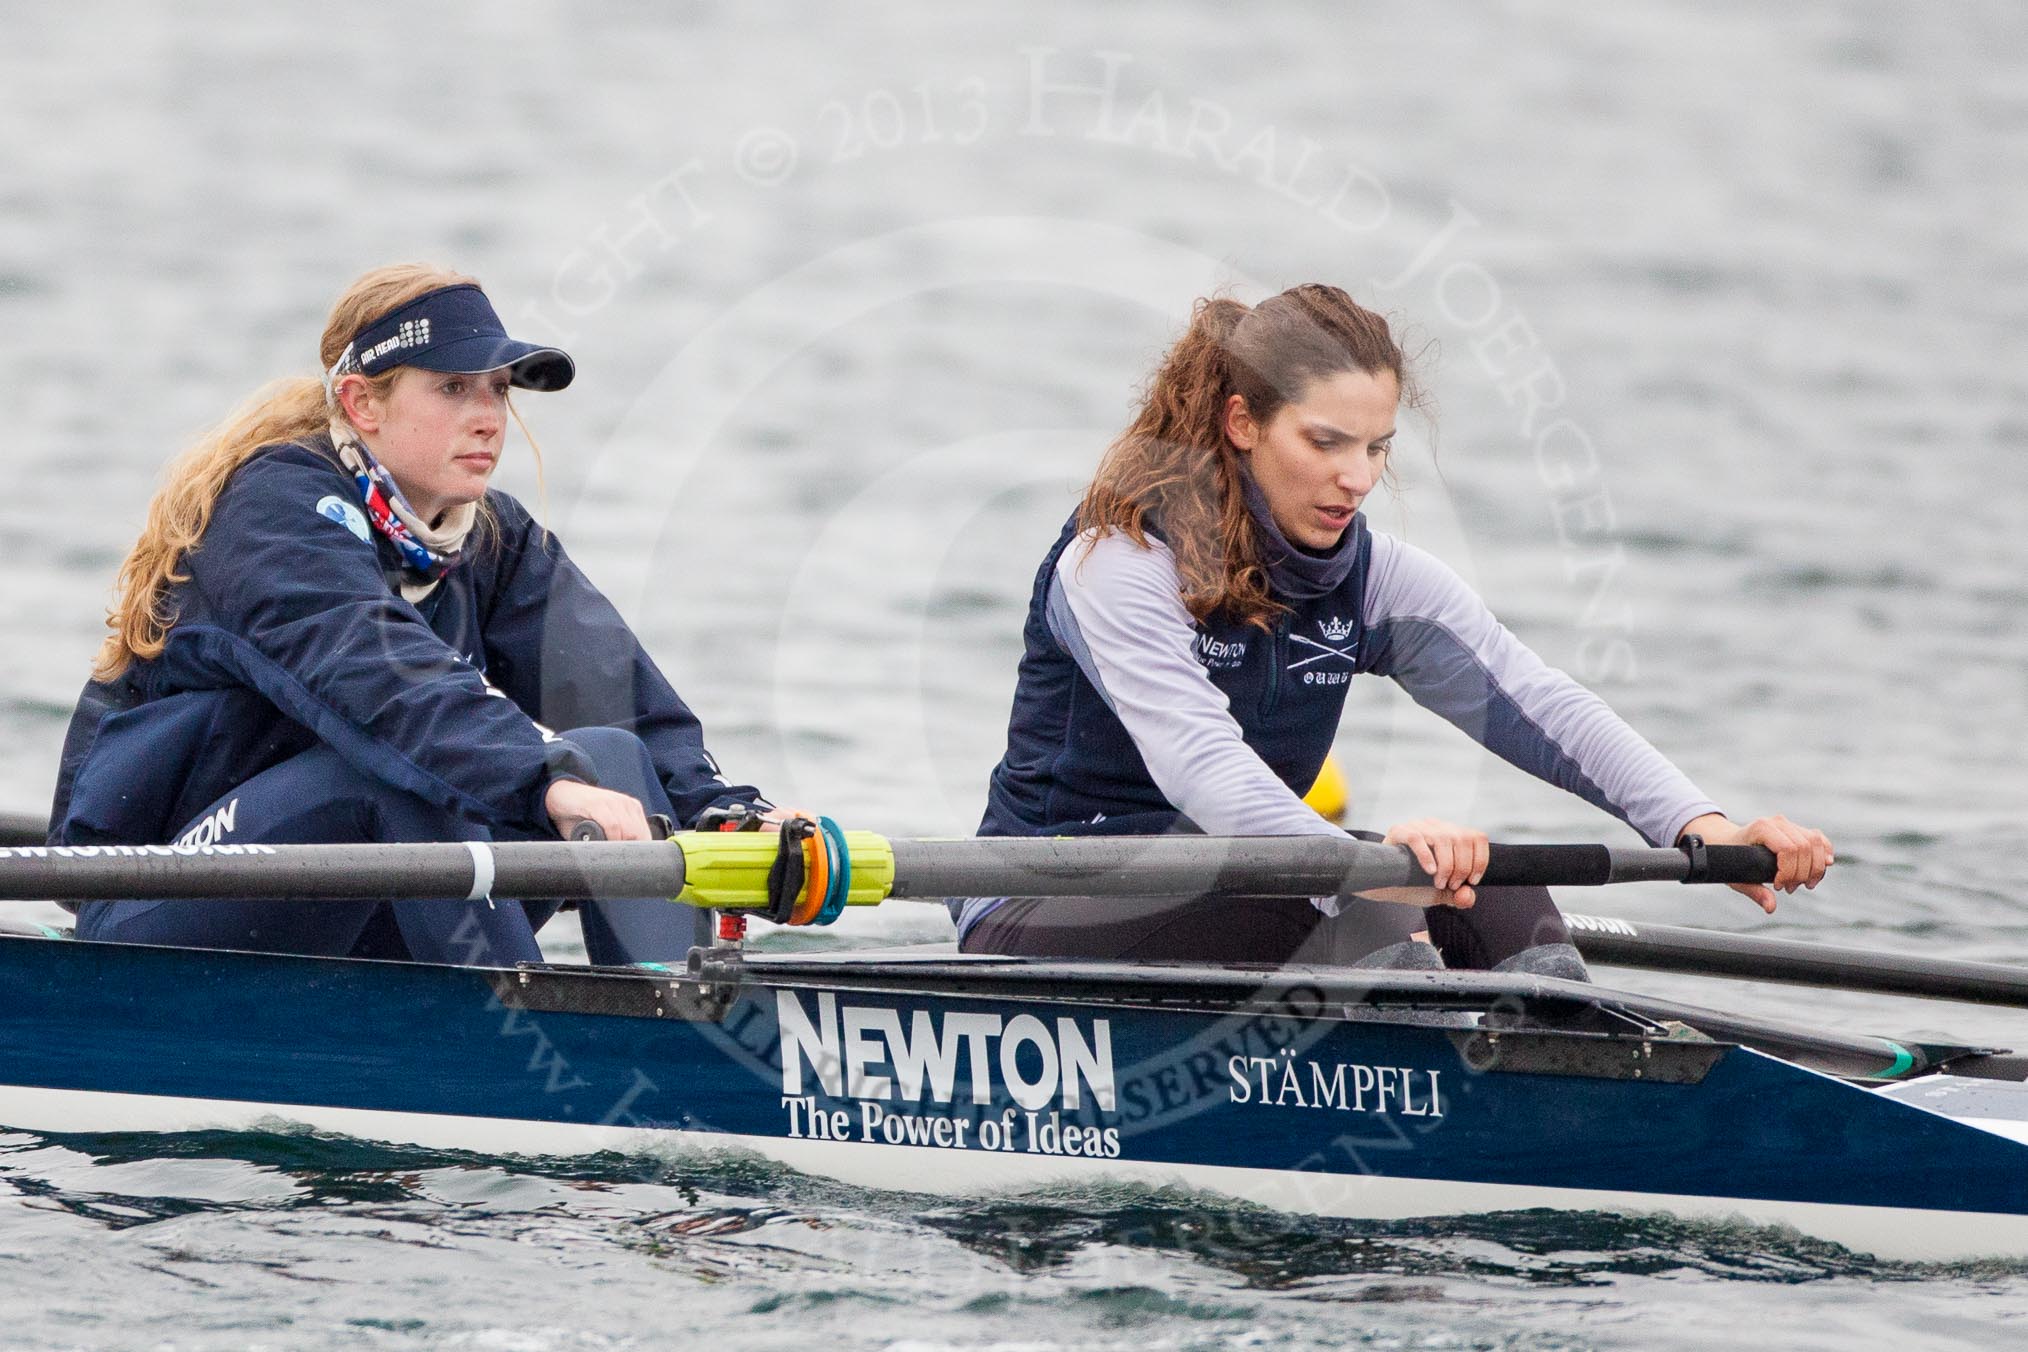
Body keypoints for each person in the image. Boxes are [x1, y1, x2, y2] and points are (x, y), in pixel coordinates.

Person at [960, 285, 1833, 973]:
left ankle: (1569, 1081)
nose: (1357, 478)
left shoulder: (1376, 583)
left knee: (1499, 897)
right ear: (1242, 424)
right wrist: (1372, 868)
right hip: (1042, 896)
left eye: (1376, 448)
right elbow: (1205, 769)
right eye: (1327, 442)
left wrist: (1700, 823)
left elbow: (1540, 705)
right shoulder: (1119, 563)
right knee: (1385, 895)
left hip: (1248, 879)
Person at [50, 263, 771, 967]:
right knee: (396, 771)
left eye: (497, 389)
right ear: (364, 404)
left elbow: (620, 699)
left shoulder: (493, 538)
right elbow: (385, 681)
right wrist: (543, 776)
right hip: (156, 893)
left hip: (359, 895)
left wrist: (728, 817)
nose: (490, 417)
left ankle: (669, 1016)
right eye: (454, 388)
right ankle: (525, 1055)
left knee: (614, 757)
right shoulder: (273, 510)